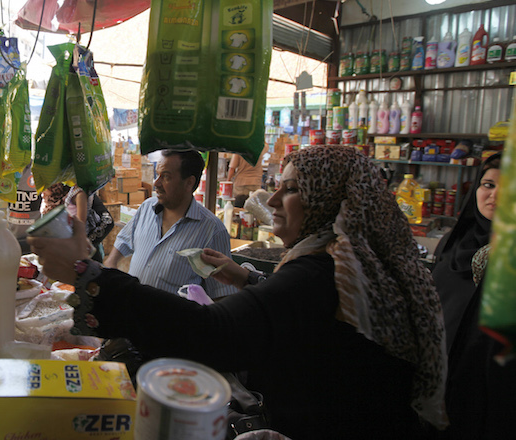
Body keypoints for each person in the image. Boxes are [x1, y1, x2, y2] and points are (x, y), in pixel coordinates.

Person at [30, 146, 448, 439]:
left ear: (328, 202)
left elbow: (217, 333)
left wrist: (87, 272)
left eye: (292, 189)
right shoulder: (342, 266)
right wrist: (248, 281)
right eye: (278, 186)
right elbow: (300, 320)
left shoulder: (324, 271)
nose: (273, 199)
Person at [431, 152, 514, 439]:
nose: (494, 195)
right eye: (488, 185)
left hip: (492, 394)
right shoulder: (454, 243)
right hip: (437, 382)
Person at [103, 149, 235, 299]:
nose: (156, 183)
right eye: (157, 174)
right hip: (132, 313)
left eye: (166, 177)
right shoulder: (147, 208)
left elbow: (221, 294)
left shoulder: (212, 231)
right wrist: (111, 267)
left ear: (189, 183)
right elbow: (124, 240)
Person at [64, 185, 114, 262]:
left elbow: (81, 223)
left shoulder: (80, 193)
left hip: (82, 242)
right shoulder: (75, 191)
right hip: (80, 240)